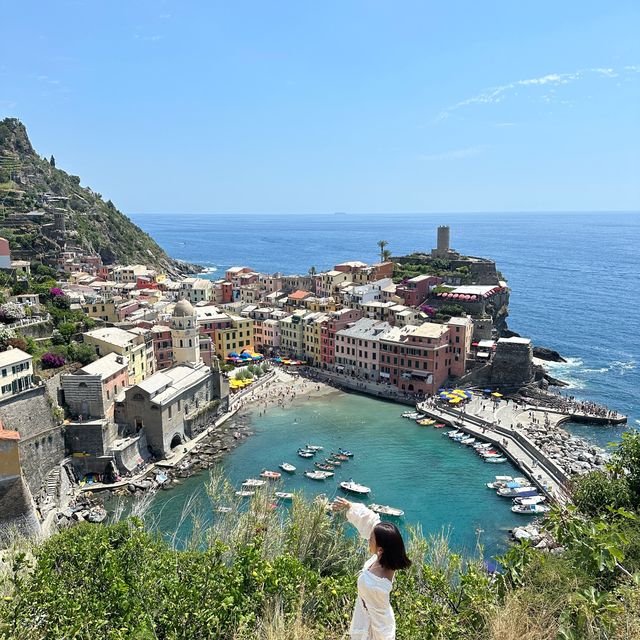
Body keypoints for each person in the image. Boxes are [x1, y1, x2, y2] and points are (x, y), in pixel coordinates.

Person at [333, 497, 411, 639]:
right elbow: (372, 523)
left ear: (380, 549)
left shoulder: (377, 585)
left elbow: (380, 622)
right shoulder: (386, 558)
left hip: (372, 628)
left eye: (371, 540)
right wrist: (350, 505)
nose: (368, 540)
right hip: (368, 615)